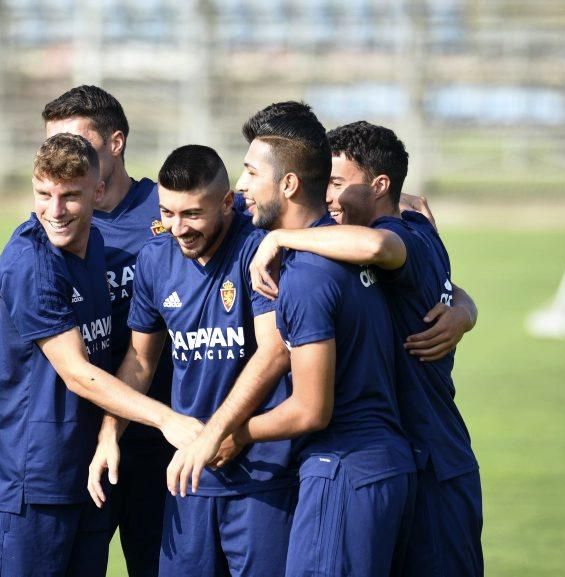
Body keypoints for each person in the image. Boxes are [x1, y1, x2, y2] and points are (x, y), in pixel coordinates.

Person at [167, 103, 417, 577]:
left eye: (249, 172)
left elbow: (310, 409)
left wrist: (226, 434)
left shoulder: (304, 278)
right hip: (384, 469)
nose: (241, 186)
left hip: (343, 469)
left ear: (288, 184)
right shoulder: (346, 244)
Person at [248, 120, 483, 576]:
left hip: (435, 462)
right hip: (399, 463)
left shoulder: (404, 238)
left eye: (337, 184)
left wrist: (280, 237)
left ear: (379, 185)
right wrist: (463, 306)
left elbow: (378, 243)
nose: (329, 197)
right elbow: (414, 212)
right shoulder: (414, 223)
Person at [0, 85, 175, 577]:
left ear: (114, 145)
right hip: (55, 463)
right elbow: (3, 352)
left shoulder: (164, 216)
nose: (63, 158)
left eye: (76, 144)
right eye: (51, 150)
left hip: (151, 454)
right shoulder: (37, 251)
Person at [89, 144, 297, 577]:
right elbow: (140, 362)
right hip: (189, 475)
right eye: (168, 212)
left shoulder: (256, 250)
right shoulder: (154, 259)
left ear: (227, 203)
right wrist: (110, 433)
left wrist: (219, 432)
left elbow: (274, 351)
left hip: (262, 475)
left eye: (192, 215)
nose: (177, 228)